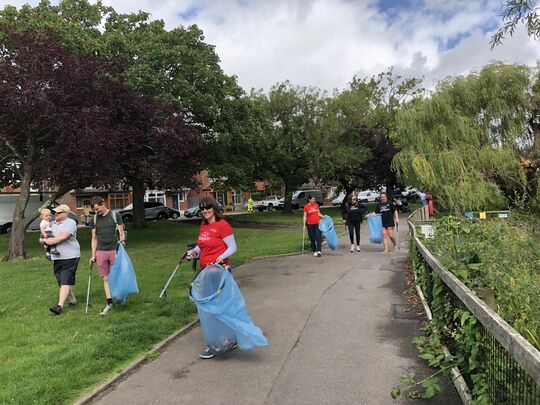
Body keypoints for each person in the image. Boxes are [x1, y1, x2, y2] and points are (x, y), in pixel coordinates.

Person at [186, 195, 238, 359]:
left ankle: (217, 343)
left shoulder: (222, 225)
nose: (205, 211)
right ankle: (223, 339)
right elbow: (201, 247)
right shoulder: (204, 225)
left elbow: (232, 247)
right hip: (205, 272)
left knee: (215, 308)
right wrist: (193, 253)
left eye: (207, 207)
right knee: (209, 308)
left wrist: (219, 258)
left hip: (219, 271)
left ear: (214, 208)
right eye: (202, 209)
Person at [39, 204, 80, 315]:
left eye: (59, 212)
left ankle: (59, 306)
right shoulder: (51, 224)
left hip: (70, 255)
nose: (56, 214)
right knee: (61, 280)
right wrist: (44, 240)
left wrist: (50, 241)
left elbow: (64, 236)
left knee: (65, 279)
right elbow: (41, 238)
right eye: (55, 212)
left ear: (66, 213)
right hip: (57, 257)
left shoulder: (70, 223)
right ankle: (72, 300)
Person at [89, 196, 126, 315]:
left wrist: (121, 245)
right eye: (95, 210)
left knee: (115, 276)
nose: (97, 211)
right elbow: (94, 238)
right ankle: (109, 302)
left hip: (114, 250)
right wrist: (93, 255)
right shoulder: (94, 220)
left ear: (103, 203)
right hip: (101, 251)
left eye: (97, 208)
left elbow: (121, 233)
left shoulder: (115, 216)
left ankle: (120, 295)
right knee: (105, 278)